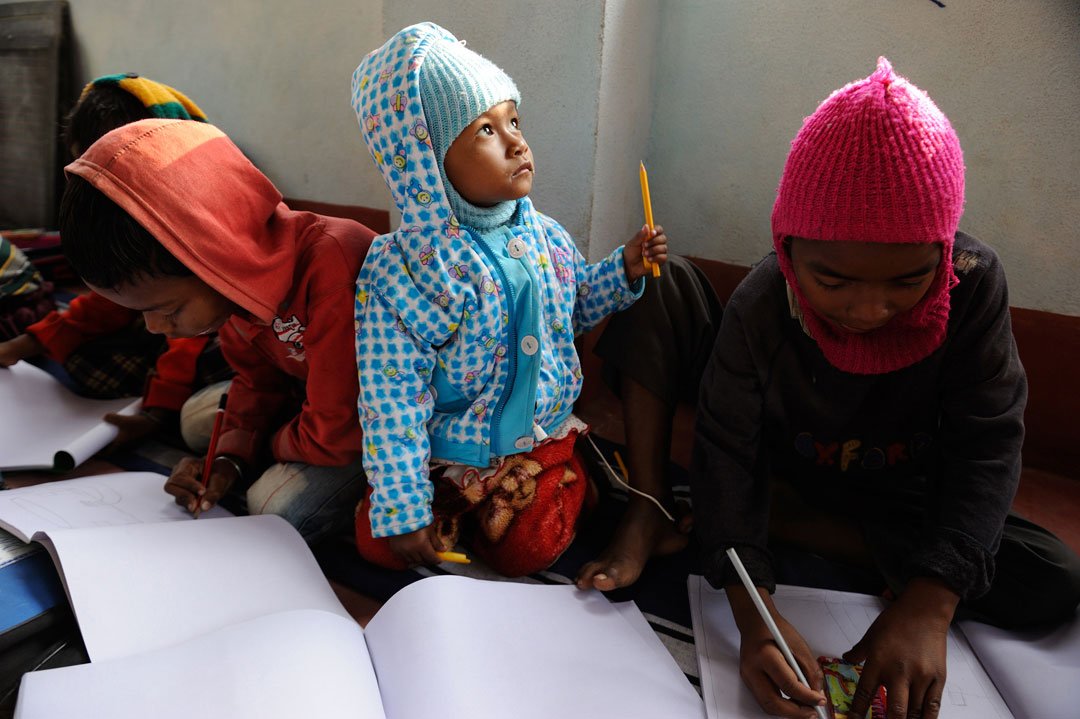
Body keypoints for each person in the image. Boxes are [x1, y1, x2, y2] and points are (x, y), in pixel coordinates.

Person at [690, 58, 1080, 719]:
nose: (869, 311)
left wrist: (928, 603)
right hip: (788, 469)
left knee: (1054, 577)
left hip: (907, 498)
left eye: (907, 282)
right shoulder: (762, 304)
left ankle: (789, 524)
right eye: (834, 282)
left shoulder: (972, 286)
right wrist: (752, 611)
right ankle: (777, 521)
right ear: (788, 251)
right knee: (723, 505)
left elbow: (989, 444)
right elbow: (725, 451)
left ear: (942, 253)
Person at [349, 22, 667, 575]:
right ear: (426, 166)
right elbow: (391, 396)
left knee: (526, 549)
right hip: (448, 454)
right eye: (485, 132)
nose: (517, 141)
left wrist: (623, 270)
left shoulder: (546, 237)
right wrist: (401, 509)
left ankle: (570, 477)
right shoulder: (402, 272)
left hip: (535, 442)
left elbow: (573, 312)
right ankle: (445, 511)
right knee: (378, 539)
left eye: (513, 120)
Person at [58, 118, 376, 544]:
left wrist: (262, 446)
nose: (156, 329)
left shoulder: (335, 265)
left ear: (219, 254)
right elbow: (255, 381)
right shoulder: (237, 291)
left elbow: (338, 431)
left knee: (275, 510)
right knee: (197, 422)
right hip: (320, 398)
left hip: (387, 418)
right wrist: (226, 461)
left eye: (168, 309)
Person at [0, 74, 230, 450]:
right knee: (89, 360)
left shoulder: (190, 216)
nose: (94, 189)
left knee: (208, 364)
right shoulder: (116, 223)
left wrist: (155, 414)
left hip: (211, 330)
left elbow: (189, 333)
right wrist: (24, 345)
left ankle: (166, 400)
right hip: (166, 318)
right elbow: (104, 304)